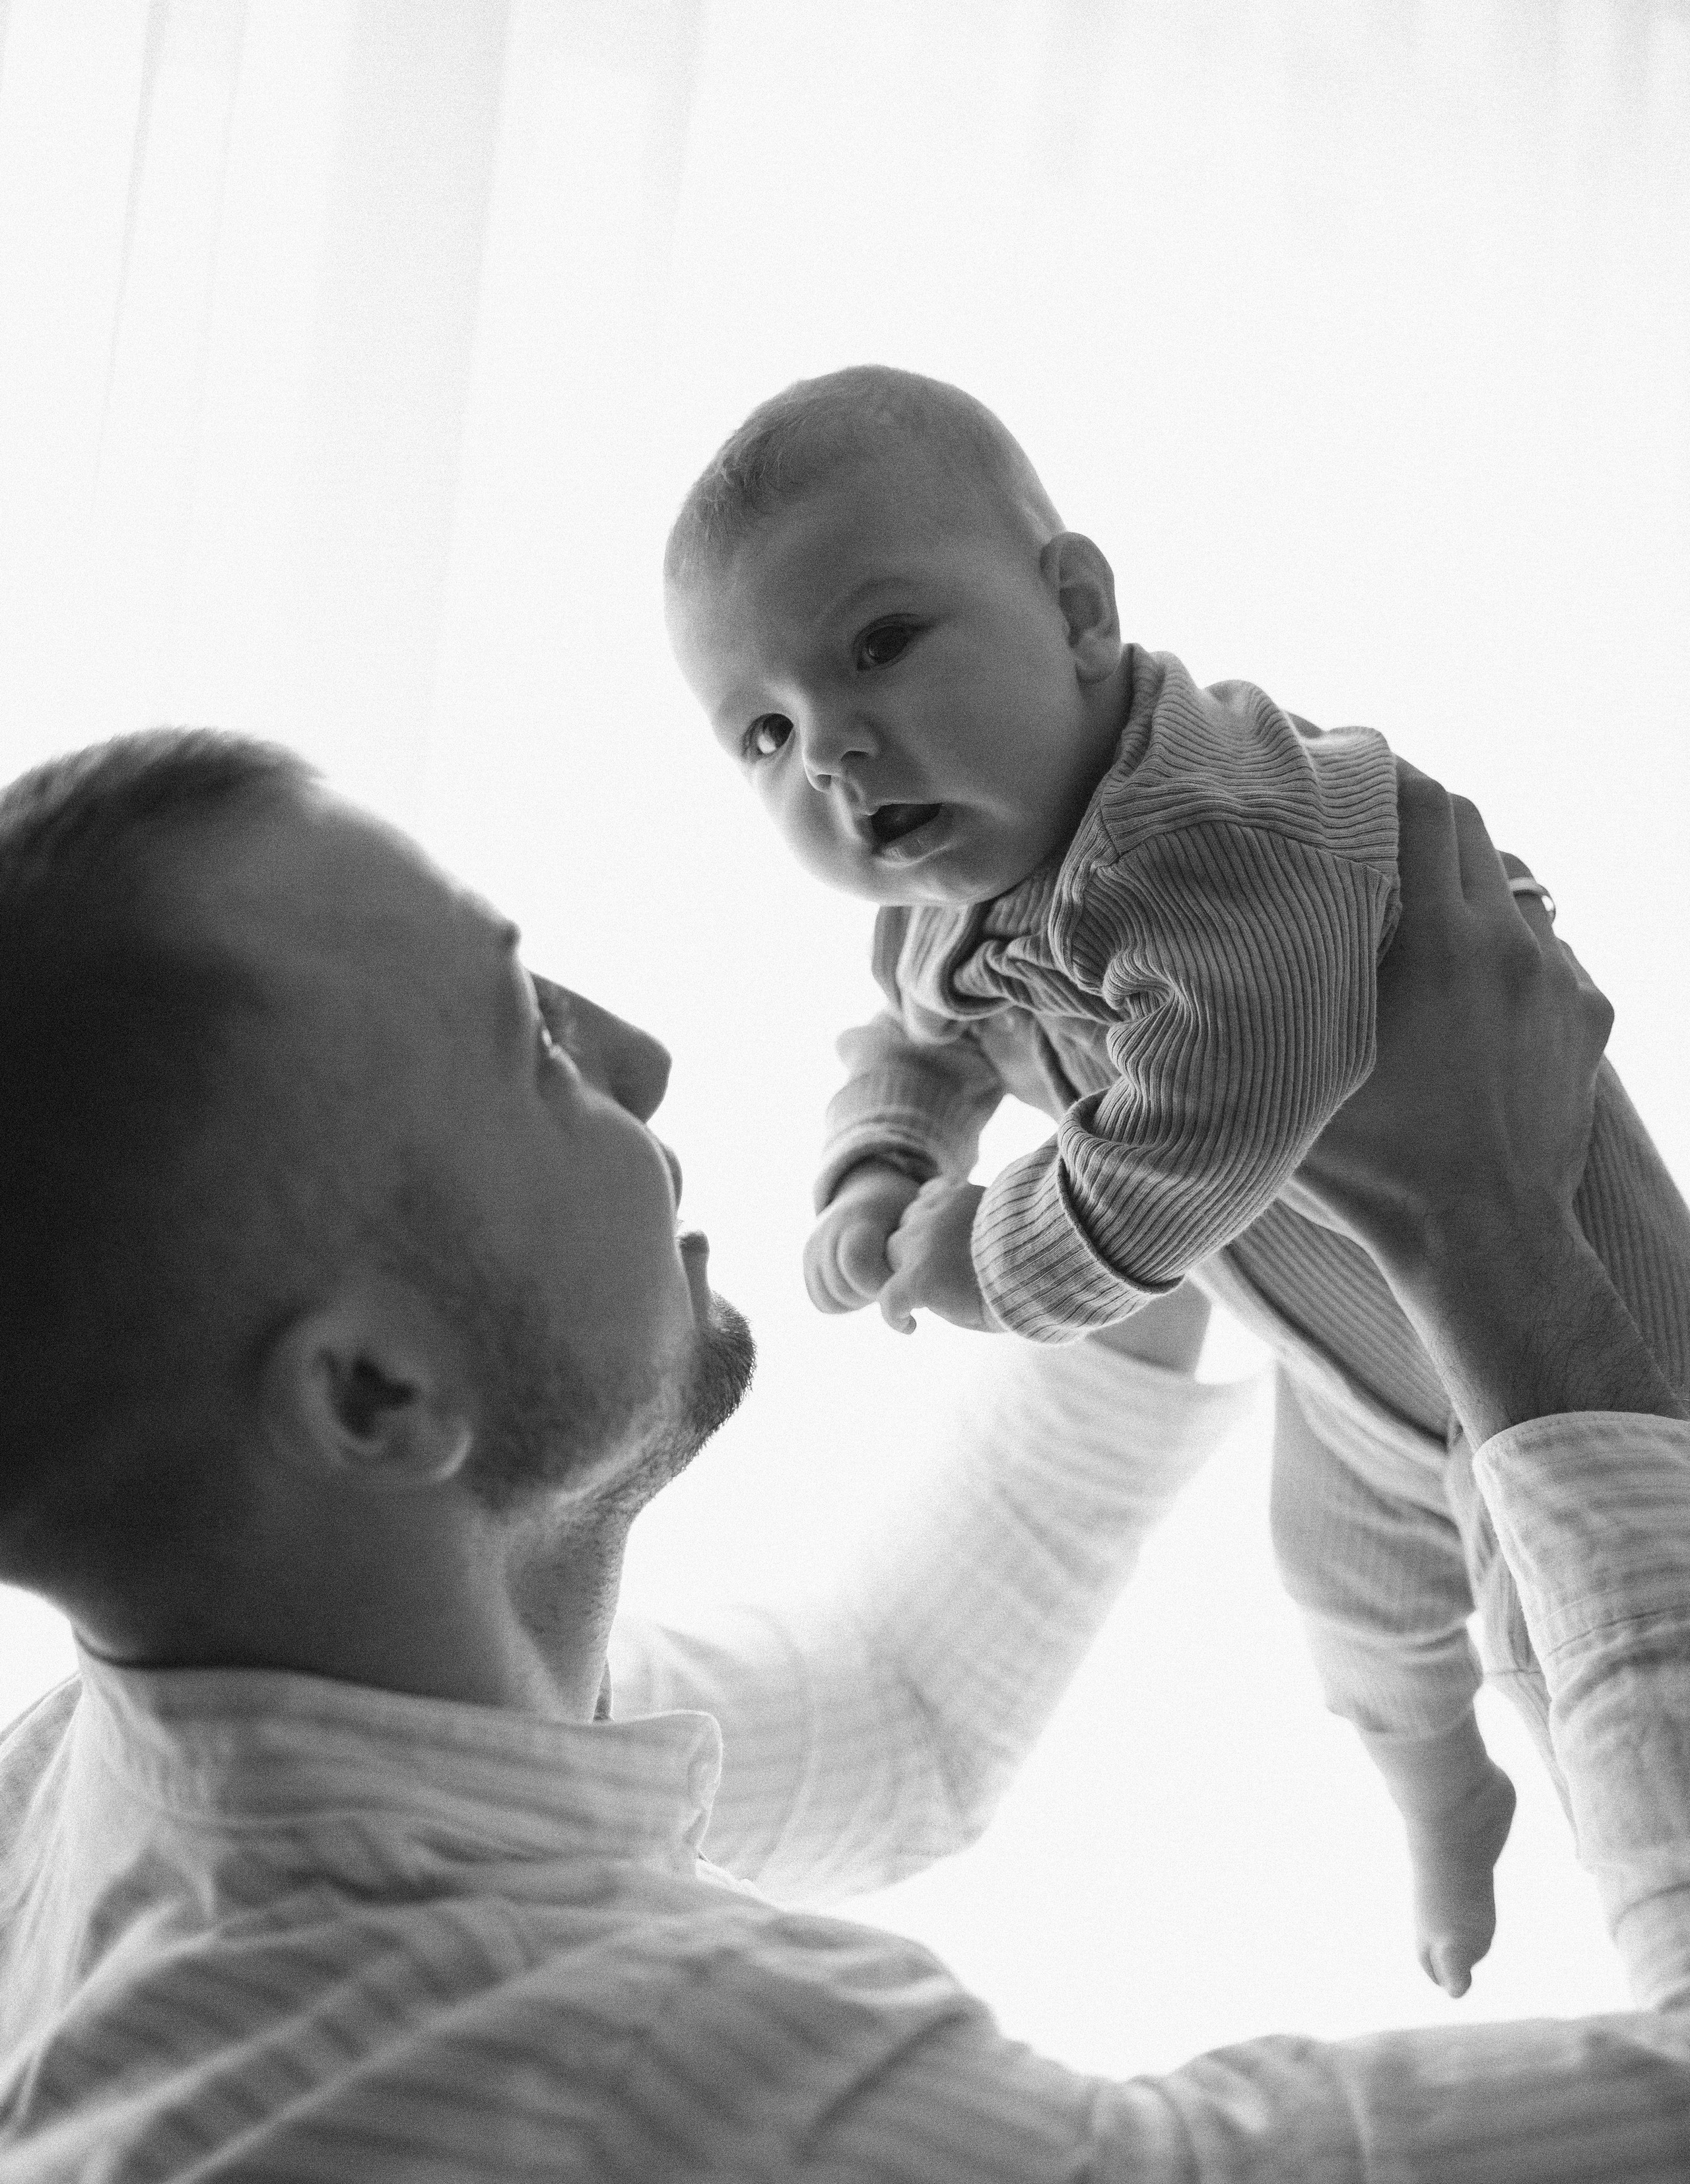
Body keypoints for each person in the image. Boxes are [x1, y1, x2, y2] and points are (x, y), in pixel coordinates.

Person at [0, 730, 1686, 2184]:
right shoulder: (645, 2094)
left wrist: (1153, 1132)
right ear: (374, 1395)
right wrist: (1495, 1238)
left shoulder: (125, 1769)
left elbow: (900, 1725)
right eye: (522, 1039)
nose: (640, 1057)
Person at [665, 364, 1690, 1995]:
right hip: (1356, 1372)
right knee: (1343, 1605)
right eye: (768, 733)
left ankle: (1619, 1902)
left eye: (878, 647)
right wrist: (884, 1161)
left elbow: (1206, 1117)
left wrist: (985, 1261)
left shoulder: (1209, 836)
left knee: (1570, 1655)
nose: (837, 753)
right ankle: (1441, 1797)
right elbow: (920, 1034)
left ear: (1075, 607)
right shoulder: (963, 869)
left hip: (1586, 1363)